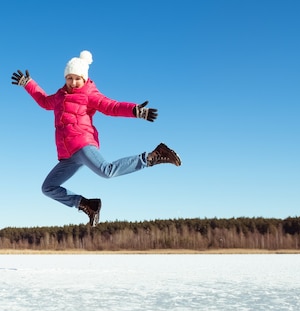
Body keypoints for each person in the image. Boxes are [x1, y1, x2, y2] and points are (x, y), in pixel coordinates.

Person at [11, 50, 181, 227]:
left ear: (84, 78)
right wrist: (28, 84)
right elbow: (45, 101)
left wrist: (134, 110)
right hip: (68, 154)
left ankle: (152, 156)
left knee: (107, 171)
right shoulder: (60, 96)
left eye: (77, 78)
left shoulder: (89, 94)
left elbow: (111, 107)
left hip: (82, 143)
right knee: (48, 187)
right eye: (69, 78)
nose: (73, 82)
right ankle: (87, 205)